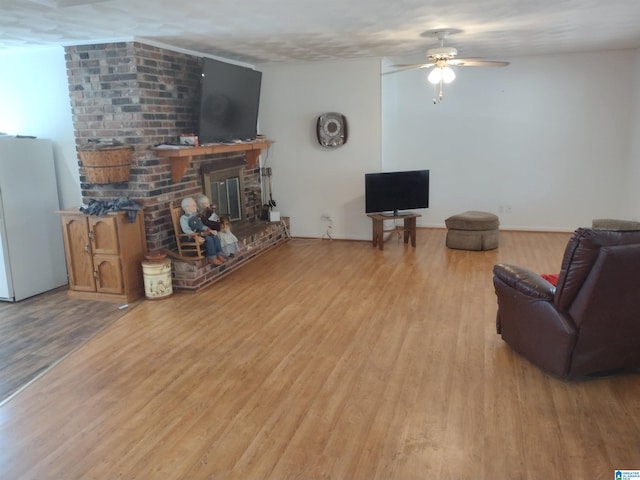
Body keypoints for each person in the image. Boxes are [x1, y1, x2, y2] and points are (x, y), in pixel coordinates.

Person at [179, 197, 226, 266]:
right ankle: (212, 257)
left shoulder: (196, 215)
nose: (195, 207)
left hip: (201, 233)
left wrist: (210, 230)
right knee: (209, 239)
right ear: (185, 207)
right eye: (193, 205)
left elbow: (202, 226)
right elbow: (186, 230)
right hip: (192, 236)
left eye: (195, 205)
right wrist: (196, 237)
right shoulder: (184, 218)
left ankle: (218, 255)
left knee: (214, 236)